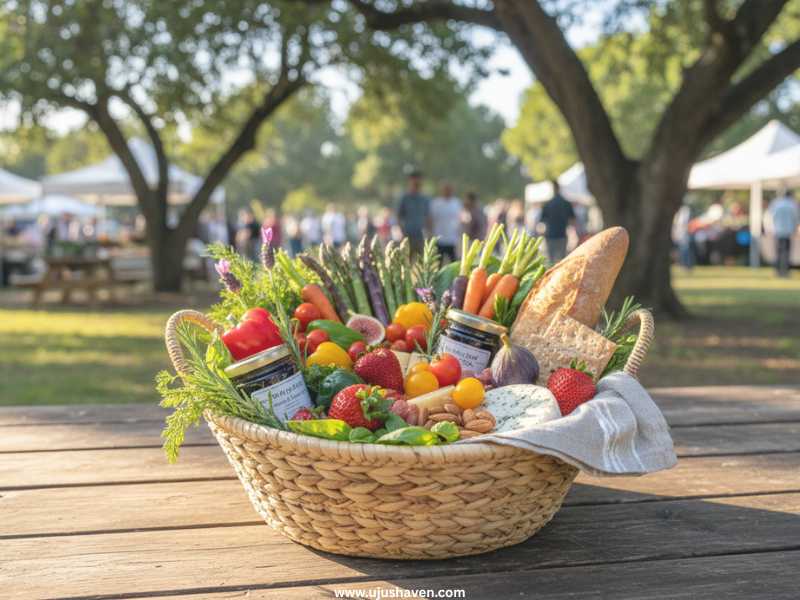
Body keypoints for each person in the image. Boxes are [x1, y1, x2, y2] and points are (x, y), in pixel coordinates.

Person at [537, 180, 575, 264]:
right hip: (562, 234)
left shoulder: (547, 204)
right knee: (562, 261)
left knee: (551, 261)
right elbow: (572, 220)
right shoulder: (566, 203)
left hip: (550, 235)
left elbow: (541, 222)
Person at [395, 170, 430, 254]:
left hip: (420, 236)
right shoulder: (404, 198)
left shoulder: (424, 199)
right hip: (407, 235)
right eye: (414, 179)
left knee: (422, 263)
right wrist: (402, 231)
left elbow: (428, 216)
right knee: (406, 261)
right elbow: (398, 216)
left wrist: (429, 232)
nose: (417, 182)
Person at [768, 189, 799, 277]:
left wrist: (770, 229)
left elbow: (769, 216)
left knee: (778, 252)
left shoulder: (776, 203)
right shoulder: (792, 204)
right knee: (786, 252)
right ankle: (785, 271)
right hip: (788, 231)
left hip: (777, 231)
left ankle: (778, 271)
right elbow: (796, 218)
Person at [430, 183, 462, 262]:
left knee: (453, 262)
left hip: (452, 239)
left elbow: (460, 219)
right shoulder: (436, 203)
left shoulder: (456, 203)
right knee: (438, 264)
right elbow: (430, 219)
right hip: (439, 239)